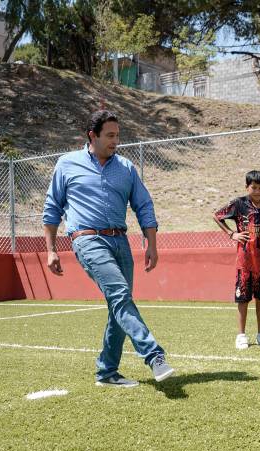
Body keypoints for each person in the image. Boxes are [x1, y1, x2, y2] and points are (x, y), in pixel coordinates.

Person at [43, 110, 174, 387]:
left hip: (120, 241)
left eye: (118, 135)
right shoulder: (67, 164)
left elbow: (144, 205)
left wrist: (151, 244)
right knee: (120, 294)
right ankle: (154, 356)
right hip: (87, 240)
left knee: (119, 306)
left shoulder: (126, 167)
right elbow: (52, 208)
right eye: (110, 135)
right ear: (93, 135)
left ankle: (107, 372)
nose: (116, 141)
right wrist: (51, 249)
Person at [213, 170, 260, 350]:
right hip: (244, 261)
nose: (257, 191)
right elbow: (217, 215)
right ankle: (241, 335)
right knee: (243, 299)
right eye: (254, 187)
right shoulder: (239, 204)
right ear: (247, 187)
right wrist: (232, 233)